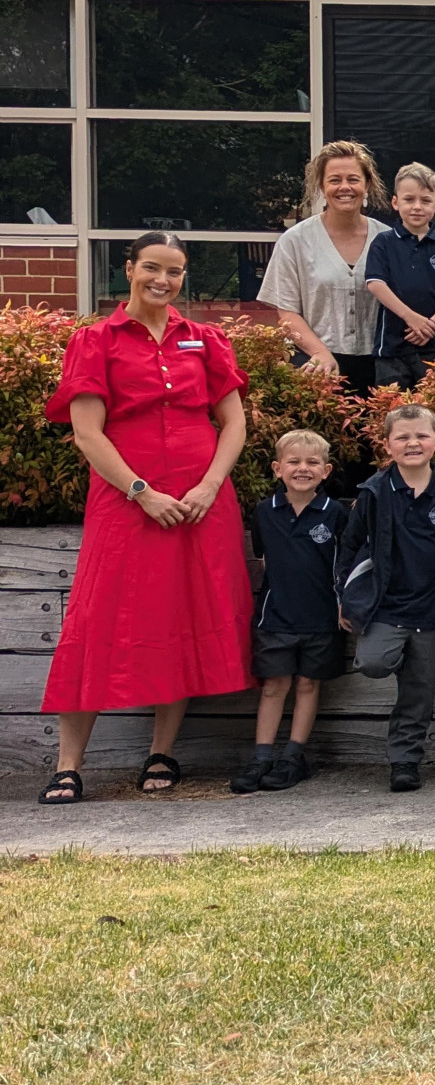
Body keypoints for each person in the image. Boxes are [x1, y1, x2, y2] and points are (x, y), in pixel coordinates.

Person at [38, 233, 252, 805]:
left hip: (201, 506)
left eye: (175, 271)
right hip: (126, 502)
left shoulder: (204, 339)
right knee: (98, 618)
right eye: (152, 268)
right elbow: (88, 433)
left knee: (180, 616)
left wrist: (209, 484)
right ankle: (68, 765)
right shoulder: (95, 340)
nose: (163, 279)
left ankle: (162, 752)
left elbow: (233, 423)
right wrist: (142, 491)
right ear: (129, 269)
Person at [339, 404, 435, 793]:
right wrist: (344, 596)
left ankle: (404, 762)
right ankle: (393, 649)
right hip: (385, 605)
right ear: (387, 445)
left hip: (431, 608)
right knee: (372, 661)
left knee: (418, 694)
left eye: (421, 436)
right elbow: (350, 547)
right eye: (402, 437)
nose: (412, 443)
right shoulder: (373, 492)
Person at [231, 429, 347, 795]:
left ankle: (294, 756)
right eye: (294, 462)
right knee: (274, 686)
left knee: (309, 684)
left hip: (322, 618)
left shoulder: (336, 513)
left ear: (326, 470)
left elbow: (342, 566)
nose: (303, 469)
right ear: (277, 468)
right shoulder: (265, 512)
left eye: (312, 462)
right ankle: (261, 757)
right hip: (275, 617)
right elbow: (264, 559)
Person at [259, 139, 391, 397]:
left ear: (367, 184)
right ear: (321, 185)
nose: (345, 187)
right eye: (334, 180)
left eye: (353, 179)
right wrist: (320, 352)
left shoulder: (387, 240)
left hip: (380, 367)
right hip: (317, 364)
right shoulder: (295, 241)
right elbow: (286, 311)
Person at [363, 162, 435, 390]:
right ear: (395, 202)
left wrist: (431, 325)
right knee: (391, 411)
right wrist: (411, 318)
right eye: (409, 199)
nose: (417, 207)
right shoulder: (383, 243)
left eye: (425, 200)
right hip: (392, 347)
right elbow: (376, 284)